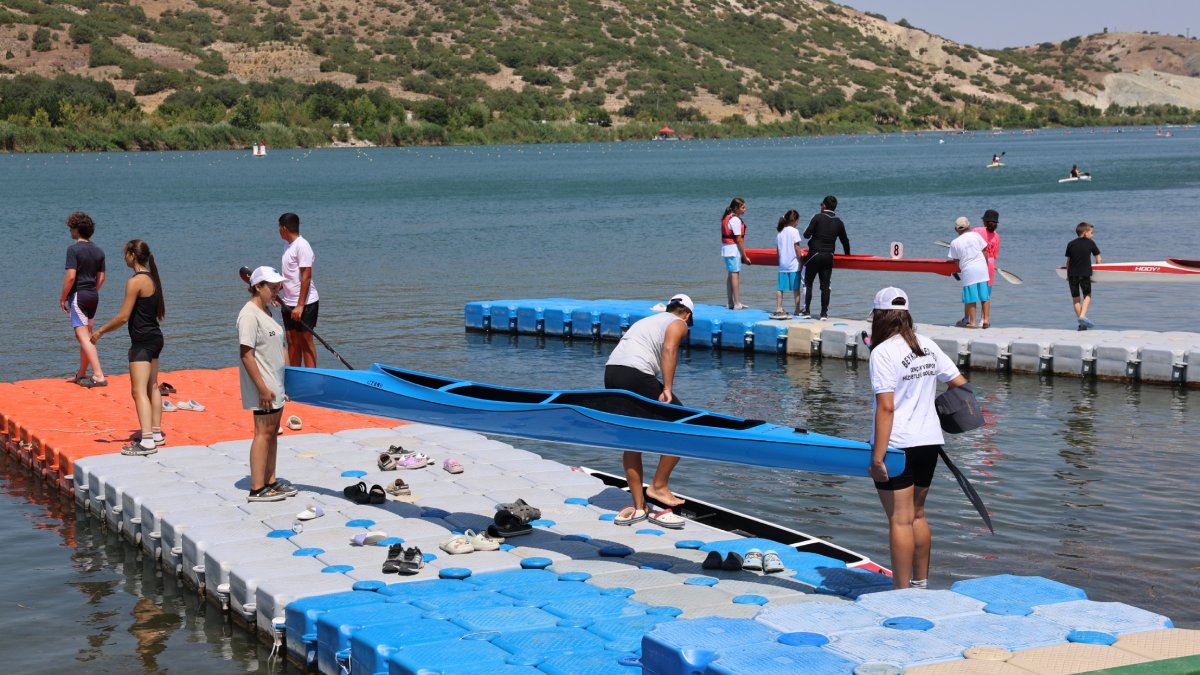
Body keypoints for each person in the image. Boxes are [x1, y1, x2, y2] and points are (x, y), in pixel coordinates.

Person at [867, 287, 969, 589]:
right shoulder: (927, 345)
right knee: (917, 515)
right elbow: (960, 385)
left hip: (897, 446)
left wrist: (877, 458)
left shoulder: (882, 352)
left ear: (879, 317)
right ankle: (920, 584)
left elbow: (886, 407)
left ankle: (900, 593)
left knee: (899, 519)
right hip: (930, 442)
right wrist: (930, 408)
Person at [604, 294, 693, 527]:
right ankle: (659, 486)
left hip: (611, 373)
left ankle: (639, 506)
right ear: (687, 314)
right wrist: (668, 388)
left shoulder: (647, 321)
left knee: (632, 438)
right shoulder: (679, 322)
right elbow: (670, 349)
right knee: (684, 425)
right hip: (635, 373)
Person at [91, 240, 165, 456]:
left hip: (142, 342)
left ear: (133, 255)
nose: (124, 258)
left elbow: (123, 317)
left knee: (138, 391)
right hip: (155, 338)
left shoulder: (135, 281)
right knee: (153, 386)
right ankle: (156, 433)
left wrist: (100, 331)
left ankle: (147, 441)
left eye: (125, 254)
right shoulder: (152, 278)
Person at [238, 266, 297, 502]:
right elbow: (246, 355)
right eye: (271, 288)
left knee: (272, 433)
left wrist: (288, 380)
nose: (276, 292)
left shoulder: (267, 311)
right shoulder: (249, 315)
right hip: (264, 385)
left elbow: (280, 347)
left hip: (276, 383)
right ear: (258, 286)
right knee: (262, 433)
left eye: (278, 287)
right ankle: (257, 488)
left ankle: (271, 480)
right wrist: (262, 388)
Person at [60, 212, 108, 387]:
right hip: (93, 296)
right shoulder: (99, 251)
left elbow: (71, 277)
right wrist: (92, 291)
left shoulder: (73, 250)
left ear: (76, 229)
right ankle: (81, 373)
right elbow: (101, 278)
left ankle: (99, 375)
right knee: (87, 337)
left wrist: (62, 298)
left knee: (83, 337)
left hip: (79, 295)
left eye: (71, 228)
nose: (70, 231)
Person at [278, 212, 319, 367]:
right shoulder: (287, 245)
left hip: (306, 303)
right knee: (291, 340)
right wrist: (276, 290)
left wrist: (300, 305)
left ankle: (312, 377)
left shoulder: (302, 246)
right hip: (288, 302)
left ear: (284, 228)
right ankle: (295, 375)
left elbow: (306, 277)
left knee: (305, 340)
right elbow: (289, 275)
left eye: (278, 228)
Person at [801, 195, 850, 320]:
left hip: (815, 255)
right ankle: (824, 314)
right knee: (825, 286)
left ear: (824, 205)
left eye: (821, 205)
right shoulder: (839, 222)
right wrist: (848, 256)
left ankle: (806, 311)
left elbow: (806, 235)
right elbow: (845, 241)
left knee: (807, 282)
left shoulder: (817, 217)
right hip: (829, 256)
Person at [948, 218, 990, 329]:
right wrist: (985, 265)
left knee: (971, 297)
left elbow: (956, 260)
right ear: (969, 226)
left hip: (968, 270)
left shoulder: (954, 242)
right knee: (984, 296)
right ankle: (986, 320)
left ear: (956, 229)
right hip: (982, 268)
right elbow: (984, 251)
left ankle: (972, 322)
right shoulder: (976, 235)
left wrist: (961, 269)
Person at [1065, 222, 1102, 330]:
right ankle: (1082, 316)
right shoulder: (1090, 243)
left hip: (1072, 274)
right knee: (1087, 296)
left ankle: (1082, 325)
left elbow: (1068, 262)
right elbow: (1098, 259)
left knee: (1076, 299)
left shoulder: (1070, 244)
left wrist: (1067, 275)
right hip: (1085, 273)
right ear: (1085, 232)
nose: (1092, 235)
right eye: (1091, 232)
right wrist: (1097, 274)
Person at [720, 198, 752, 310]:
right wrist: (744, 256)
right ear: (736, 208)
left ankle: (730, 302)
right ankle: (737, 303)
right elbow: (739, 239)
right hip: (733, 250)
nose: (745, 209)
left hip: (726, 249)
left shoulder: (728, 217)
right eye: (743, 207)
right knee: (735, 275)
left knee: (731, 275)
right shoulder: (735, 220)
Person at [972, 209, 1001, 326]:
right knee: (986, 293)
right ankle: (984, 319)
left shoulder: (976, 231)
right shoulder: (997, 236)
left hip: (976, 263)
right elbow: (994, 255)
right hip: (990, 265)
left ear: (984, 222)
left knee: (973, 291)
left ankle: (969, 319)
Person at [773, 210, 804, 317]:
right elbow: (797, 247)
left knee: (780, 288)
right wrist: (801, 260)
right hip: (793, 264)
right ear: (795, 220)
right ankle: (797, 310)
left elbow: (778, 250)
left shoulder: (780, 233)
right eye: (798, 220)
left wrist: (780, 261)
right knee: (796, 288)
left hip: (783, 264)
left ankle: (779, 308)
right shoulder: (795, 231)